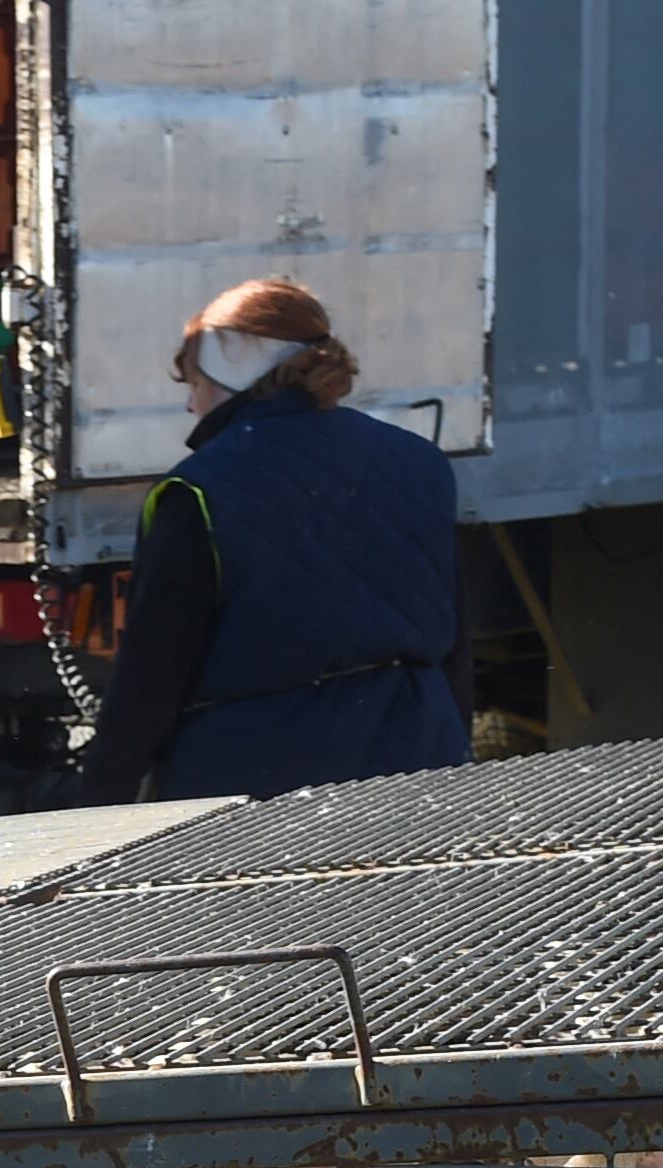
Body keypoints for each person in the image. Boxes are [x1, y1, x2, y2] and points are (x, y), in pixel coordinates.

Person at [68, 280, 468, 802]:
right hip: (416, 764)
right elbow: (455, 645)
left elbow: (151, 680)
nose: (191, 405)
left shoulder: (195, 491)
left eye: (193, 382)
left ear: (229, 374)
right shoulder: (422, 463)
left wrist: (99, 798)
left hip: (258, 785)